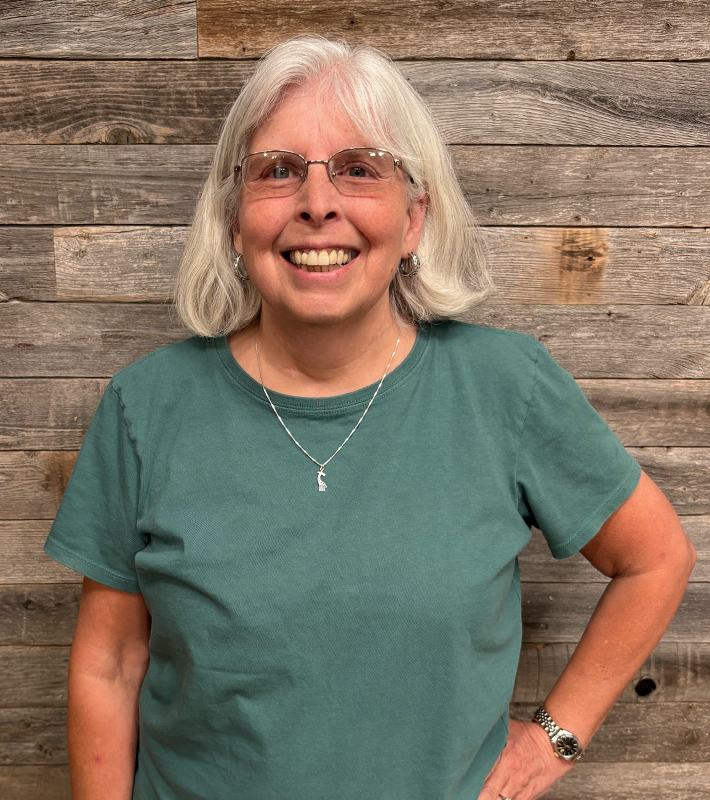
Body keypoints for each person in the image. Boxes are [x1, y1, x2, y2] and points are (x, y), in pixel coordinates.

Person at [43, 34, 697, 800]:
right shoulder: (146, 405)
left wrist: (556, 738)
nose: (317, 204)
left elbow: (658, 558)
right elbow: (110, 665)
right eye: (278, 170)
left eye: (358, 169)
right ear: (232, 220)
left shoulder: (504, 387)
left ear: (414, 218)